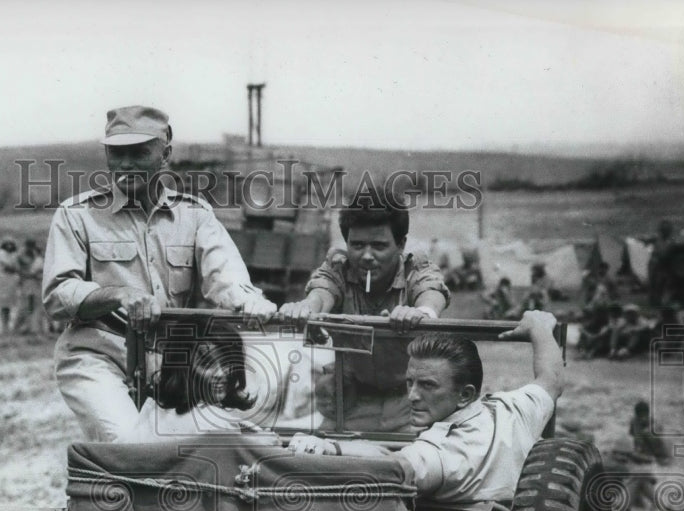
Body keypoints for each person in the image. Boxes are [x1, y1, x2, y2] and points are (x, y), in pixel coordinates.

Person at [42, 105, 276, 442]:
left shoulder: (194, 214)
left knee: (221, 442)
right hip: (98, 356)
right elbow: (58, 295)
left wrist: (250, 301)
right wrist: (118, 295)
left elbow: (224, 275)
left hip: (172, 365)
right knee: (131, 444)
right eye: (117, 153)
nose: (126, 164)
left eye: (138, 153)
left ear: (164, 154)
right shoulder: (77, 215)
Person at [288, 310, 563, 504]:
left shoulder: (439, 453)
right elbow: (551, 379)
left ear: (465, 395)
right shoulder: (511, 410)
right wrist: (539, 327)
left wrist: (316, 457)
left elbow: (392, 468)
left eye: (428, 385)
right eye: (409, 382)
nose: (412, 396)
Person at [277, 183, 450, 432]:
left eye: (378, 246)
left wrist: (421, 313)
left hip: (408, 403)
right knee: (321, 458)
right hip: (352, 401)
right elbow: (323, 290)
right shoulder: (338, 266)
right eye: (357, 245)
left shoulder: (416, 267)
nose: (367, 256)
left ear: (400, 245)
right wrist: (306, 308)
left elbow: (431, 290)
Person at [129, 320, 278, 442]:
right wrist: (259, 449)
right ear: (182, 367)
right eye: (207, 364)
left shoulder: (151, 407)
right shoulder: (215, 423)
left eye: (227, 363)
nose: (221, 373)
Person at [14, 238, 45, 335]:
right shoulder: (24, 256)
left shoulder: (32, 256)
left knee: (31, 305)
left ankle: (29, 327)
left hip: (31, 283)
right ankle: (26, 327)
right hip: (29, 282)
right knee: (28, 305)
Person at [0, 237, 20, 334]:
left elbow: (15, 266)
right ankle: (3, 326)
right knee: (3, 304)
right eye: (7, 244)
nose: (9, 246)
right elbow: (9, 265)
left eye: (11, 244)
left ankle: (7, 326)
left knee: (9, 305)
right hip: (3, 278)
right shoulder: (1, 253)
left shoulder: (14, 254)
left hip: (12, 280)